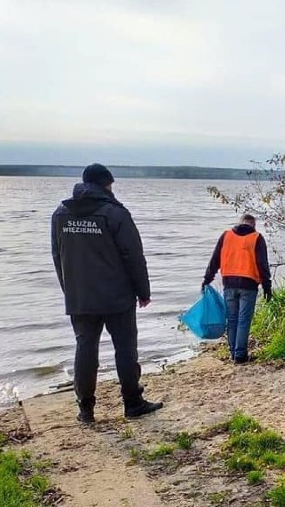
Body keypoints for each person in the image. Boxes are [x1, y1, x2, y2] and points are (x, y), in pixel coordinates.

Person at [51, 163, 163, 423]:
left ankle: (85, 409)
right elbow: (133, 256)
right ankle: (132, 402)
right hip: (117, 296)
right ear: (106, 184)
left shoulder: (60, 214)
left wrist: (69, 289)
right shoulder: (115, 213)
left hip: (80, 296)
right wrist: (143, 291)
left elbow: (58, 255)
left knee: (85, 349)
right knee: (125, 350)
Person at [203, 214, 272, 363]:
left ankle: (233, 352)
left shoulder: (226, 236)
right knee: (243, 320)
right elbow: (262, 265)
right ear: (253, 225)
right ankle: (240, 355)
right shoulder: (256, 238)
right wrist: (267, 286)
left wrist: (207, 279)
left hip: (229, 283)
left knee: (232, 320)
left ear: (240, 223)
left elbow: (215, 260)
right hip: (249, 284)